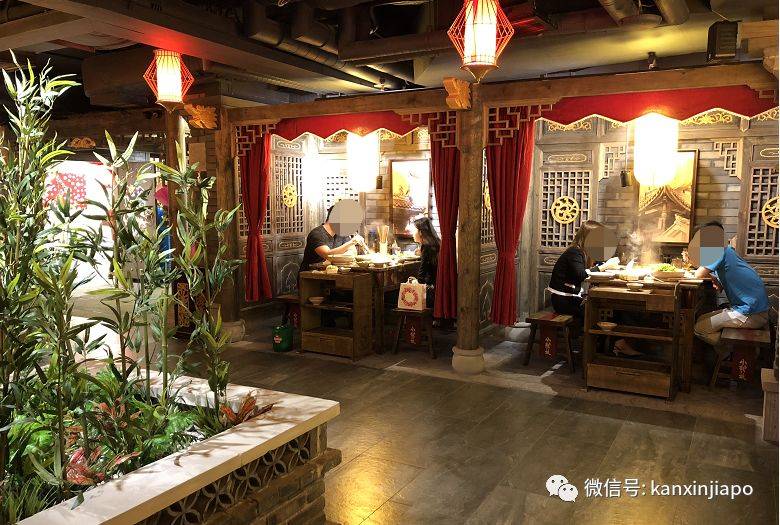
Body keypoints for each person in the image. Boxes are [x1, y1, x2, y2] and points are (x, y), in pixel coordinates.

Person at [548, 220, 637, 355]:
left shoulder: (581, 251)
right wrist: (604, 267)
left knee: (612, 311)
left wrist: (604, 265)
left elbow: (585, 272)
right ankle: (599, 351)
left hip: (570, 298)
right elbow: (581, 275)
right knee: (601, 314)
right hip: (563, 301)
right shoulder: (574, 252)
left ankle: (607, 347)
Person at [693, 221, 768, 345]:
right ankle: (725, 347)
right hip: (752, 310)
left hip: (751, 314)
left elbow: (698, 274)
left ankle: (727, 350)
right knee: (701, 319)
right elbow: (720, 285)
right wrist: (714, 278)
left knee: (699, 328)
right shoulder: (727, 251)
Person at [299, 205, 364, 273]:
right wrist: (351, 242)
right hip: (311, 274)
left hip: (333, 272)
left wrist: (349, 250)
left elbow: (352, 251)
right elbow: (327, 255)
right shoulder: (317, 234)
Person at [412, 216, 440, 307]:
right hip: (439, 288)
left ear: (421, 232)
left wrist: (414, 282)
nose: (413, 233)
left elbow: (421, 276)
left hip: (431, 292)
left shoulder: (427, 247)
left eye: (414, 230)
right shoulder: (436, 242)